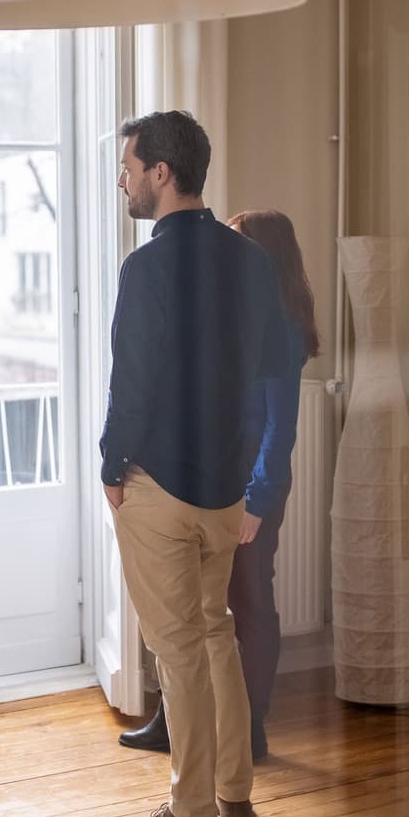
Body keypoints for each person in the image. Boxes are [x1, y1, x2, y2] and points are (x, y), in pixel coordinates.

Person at [101, 112, 295, 817]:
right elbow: (276, 364)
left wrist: (111, 467)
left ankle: (190, 816)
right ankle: (236, 794)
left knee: (180, 648)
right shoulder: (249, 260)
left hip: (160, 485)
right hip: (225, 487)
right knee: (215, 635)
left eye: (129, 165)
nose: (122, 177)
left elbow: (133, 382)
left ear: (162, 173)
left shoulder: (146, 268)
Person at [118, 210, 318, 764]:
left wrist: (258, 501)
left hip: (251, 484)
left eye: (234, 243)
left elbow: (282, 429)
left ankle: (250, 728)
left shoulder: (279, 324)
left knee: (248, 604)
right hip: (216, 472)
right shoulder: (234, 319)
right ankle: (172, 721)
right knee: (193, 608)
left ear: (262, 257)